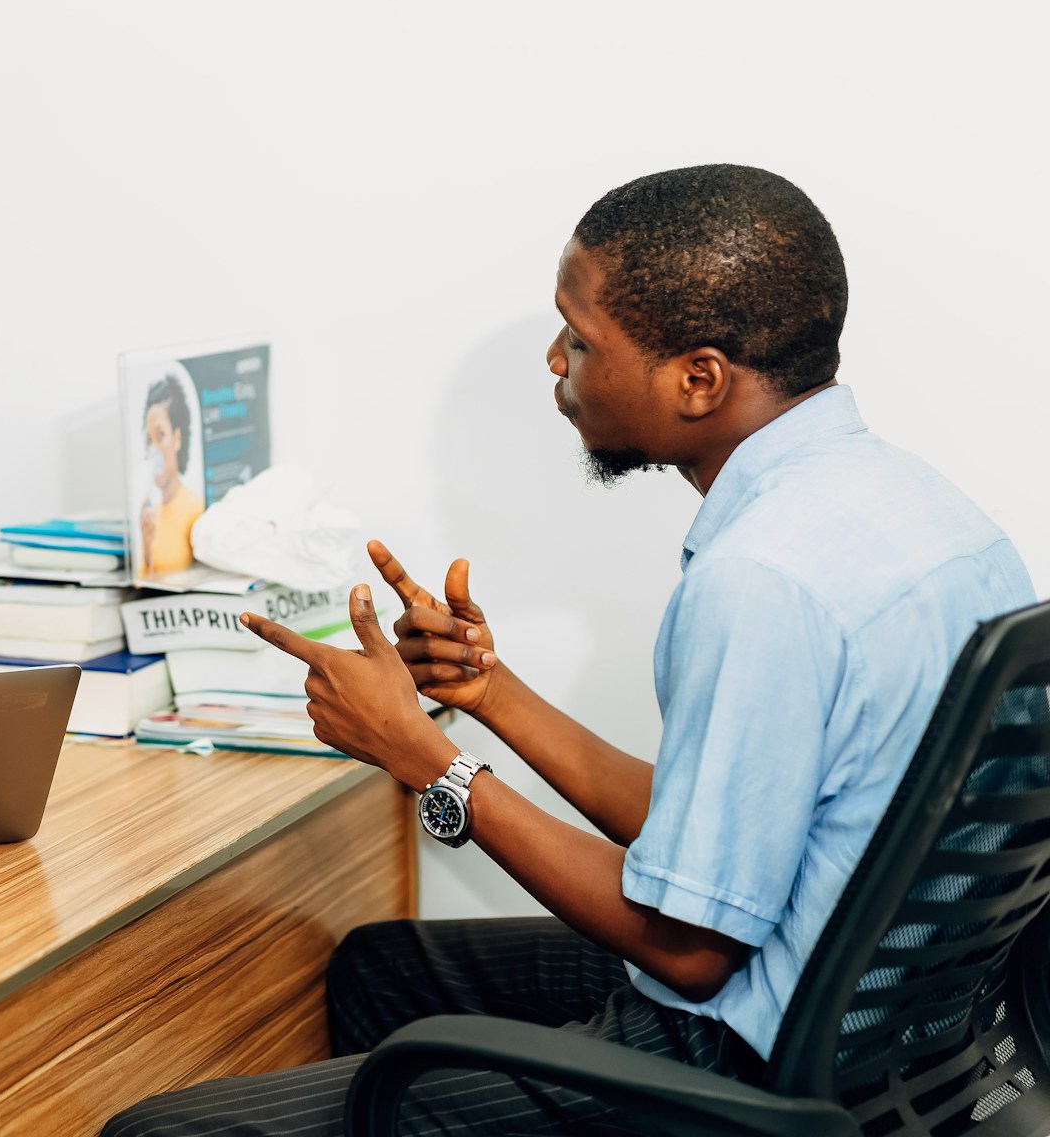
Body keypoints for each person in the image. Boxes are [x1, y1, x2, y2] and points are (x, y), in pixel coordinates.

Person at [102, 164, 1036, 1135]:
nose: (555, 360)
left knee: (157, 1132)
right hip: (909, 1036)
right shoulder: (926, 510)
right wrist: (489, 692)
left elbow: (689, 951)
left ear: (699, 378)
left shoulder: (758, 580)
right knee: (379, 968)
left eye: (580, 340)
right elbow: (729, 832)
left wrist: (428, 760)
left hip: (753, 1061)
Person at [139, 374, 204, 577]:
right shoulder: (148, 515)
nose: (154, 450)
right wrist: (146, 546)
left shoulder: (195, 507)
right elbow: (143, 580)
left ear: (177, 438)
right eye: (149, 439)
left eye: (160, 436)